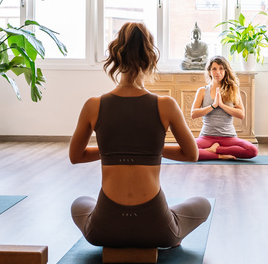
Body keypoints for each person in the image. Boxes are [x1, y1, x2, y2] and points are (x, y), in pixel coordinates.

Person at [69, 22, 212, 248]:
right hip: (158, 232)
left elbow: (75, 156)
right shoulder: (166, 105)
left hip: (103, 231)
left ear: (116, 57)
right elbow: (191, 154)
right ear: (150, 58)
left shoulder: (93, 105)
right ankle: (167, 227)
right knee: (203, 203)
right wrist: (147, 149)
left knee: (80, 203)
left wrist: (116, 150)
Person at [190, 55, 258, 160]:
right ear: (209, 72)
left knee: (252, 150)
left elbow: (241, 114)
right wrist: (213, 105)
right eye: (214, 69)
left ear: (225, 71)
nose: (218, 72)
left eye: (221, 68)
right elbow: (194, 114)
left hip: (228, 137)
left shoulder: (233, 90)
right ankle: (220, 156)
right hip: (207, 136)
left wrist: (222, 105)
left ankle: (214, 151)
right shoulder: (202, 91)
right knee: (186, 149)